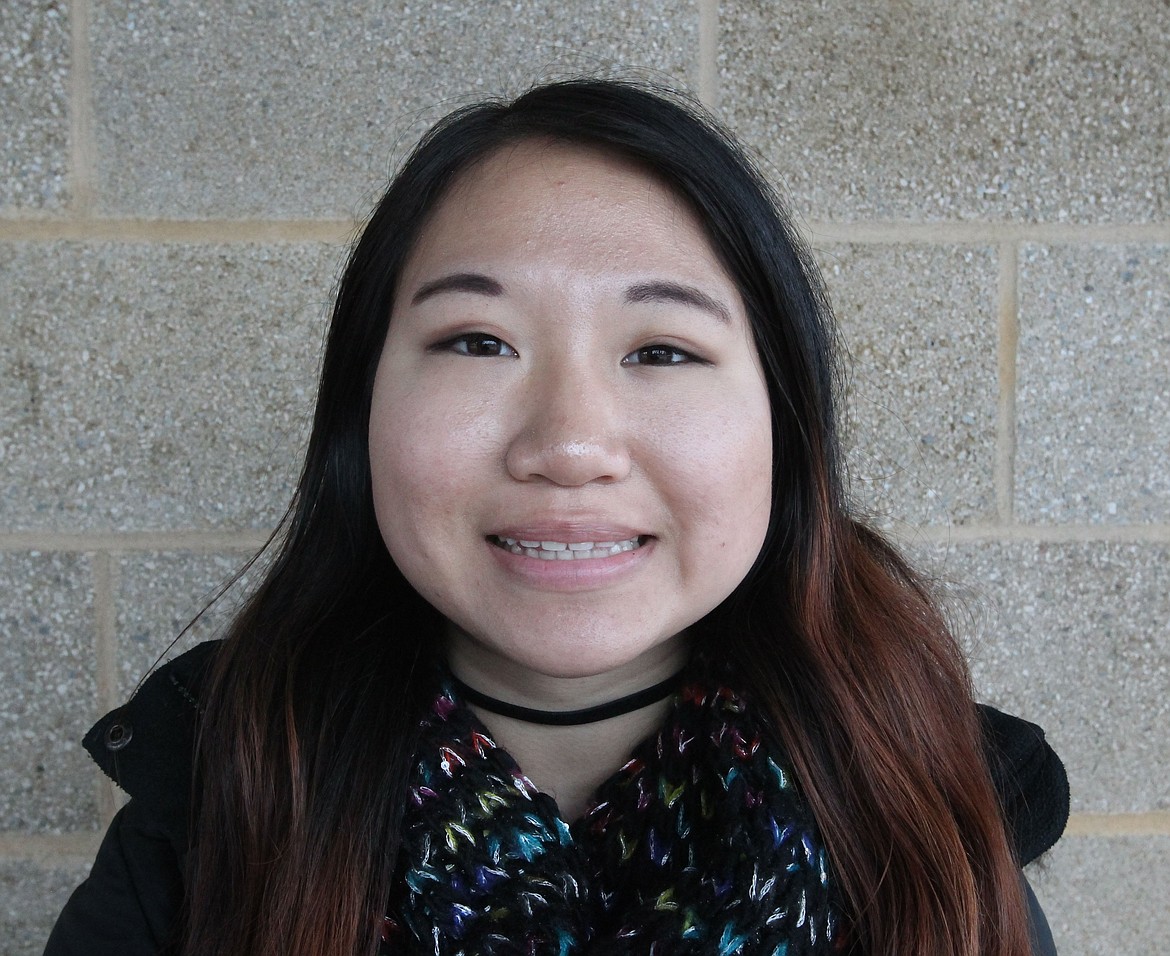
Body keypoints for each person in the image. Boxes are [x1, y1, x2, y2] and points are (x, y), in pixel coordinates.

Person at [45, 78, 1067, 956]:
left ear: (785, 423)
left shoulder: (926, 812)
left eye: (661, 350)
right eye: (478, 341)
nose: (570, 445)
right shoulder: (218, 804)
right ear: (363, 410)